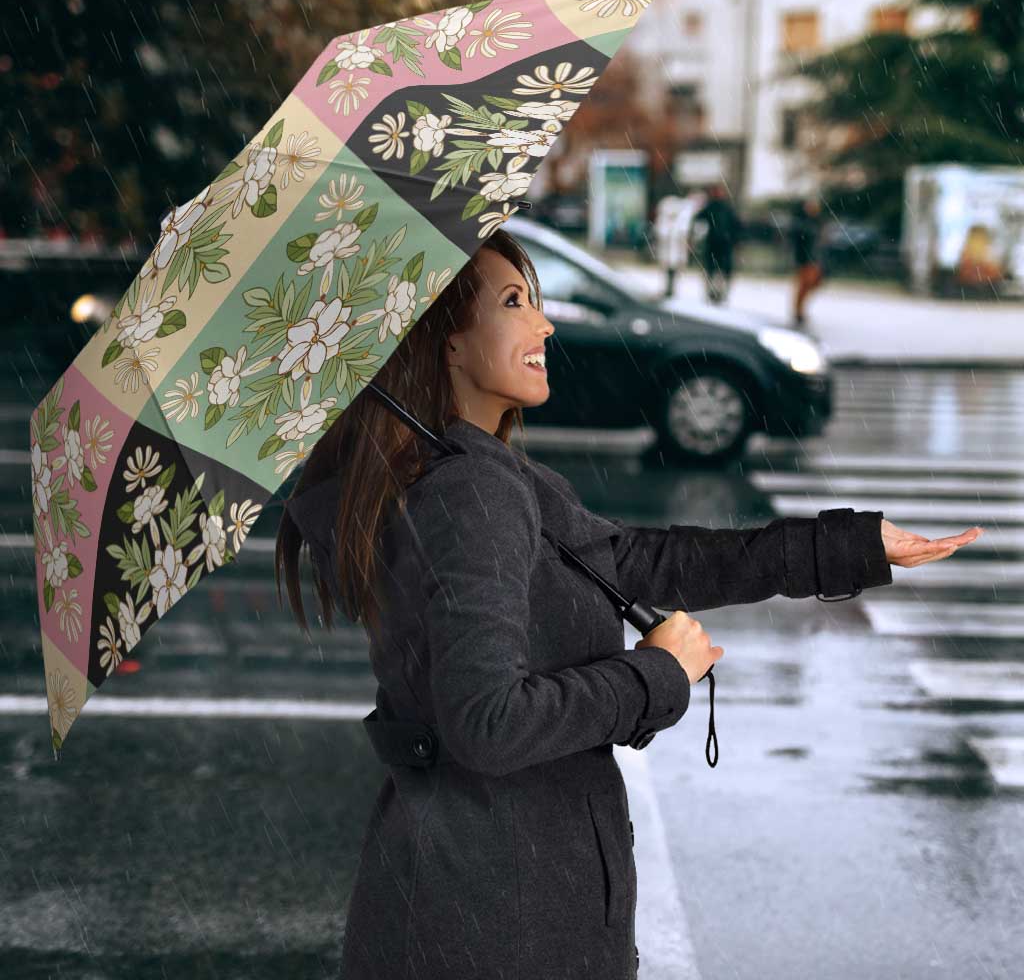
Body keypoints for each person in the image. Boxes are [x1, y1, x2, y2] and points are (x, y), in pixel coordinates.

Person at [276, 228, 981, 980]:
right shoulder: (469, 492)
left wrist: (849, 546)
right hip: (496, 918)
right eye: (514, 302)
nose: (544, 324)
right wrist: (655, 675)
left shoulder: (479, 475)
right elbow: (487, 723)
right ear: (445, 343)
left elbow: (644, 561)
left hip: (481, 899)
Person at [692, 182, 742, 305]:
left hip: (723, 244)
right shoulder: (712, 207)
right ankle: (713, 293)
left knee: (720, 271)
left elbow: (736, 226)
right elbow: (698, 220)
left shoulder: (725, 208)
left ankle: (719, 293)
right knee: (713, 270)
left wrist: (735, 240)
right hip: (715, 244)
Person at [790, 195, 826, 327]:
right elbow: (799, 242)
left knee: (812, 284)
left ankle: (800, 310)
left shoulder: (817, 222)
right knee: (804, 285)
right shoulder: (802, 223)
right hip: (805, 259)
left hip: (814, 259)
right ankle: (798, 311)